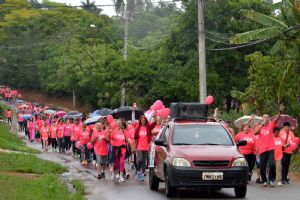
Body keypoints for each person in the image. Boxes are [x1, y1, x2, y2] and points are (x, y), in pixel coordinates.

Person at [254, 112, 281, 187]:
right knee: (262, 166)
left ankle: (271, 180)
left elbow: (276, 119)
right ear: (262, 119)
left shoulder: (271, 125)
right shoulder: (259, 126)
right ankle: (264, 180)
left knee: (272, 164)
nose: (266, 119)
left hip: (271, 149)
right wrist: (261, 125)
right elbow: (255, 133)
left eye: (267, 117)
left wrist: (280, 112)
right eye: (264, 117)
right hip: (262, 150)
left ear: (269, 119)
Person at [134, 115, 157, 181]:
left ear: (145, 121)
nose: (143, 121)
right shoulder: (138, 128)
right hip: (139, 146)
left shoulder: (148, 127)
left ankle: (142, 174)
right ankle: (138, 171)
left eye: (144, 120)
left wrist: (155, 116)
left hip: (146, 146)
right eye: (142, 120)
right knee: (140, 159)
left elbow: (154, 123)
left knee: (144, 161)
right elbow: (135, 137)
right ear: (140, 121)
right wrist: (135, 146)